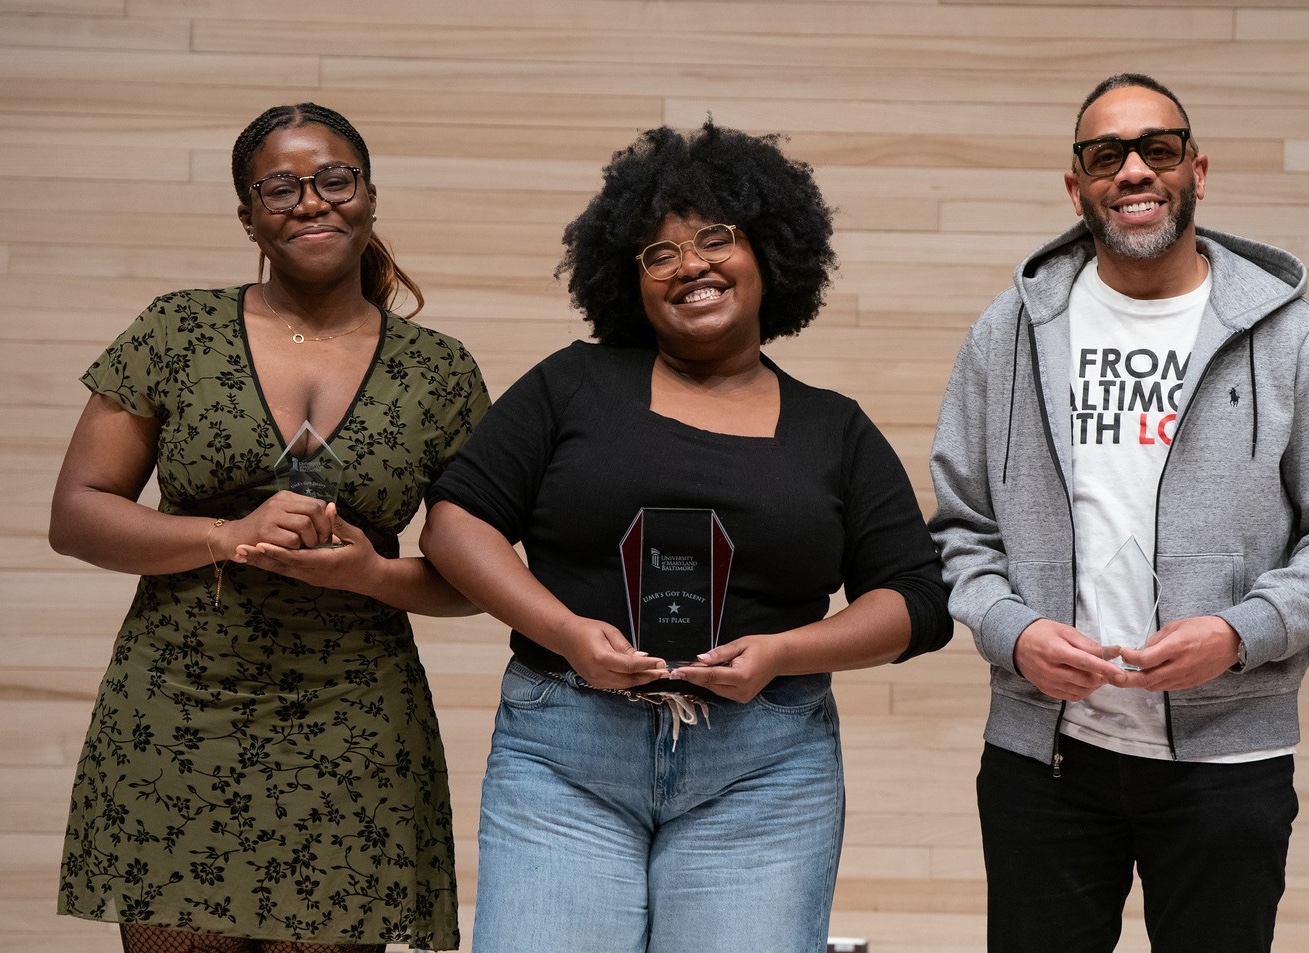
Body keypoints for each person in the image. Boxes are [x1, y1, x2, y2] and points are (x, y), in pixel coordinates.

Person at [419, 120, 953, 953]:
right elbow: (456, 524)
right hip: (564, 753)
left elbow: (916, 601)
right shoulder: (573, 385)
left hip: (765, 769)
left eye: (716, 238)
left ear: (770, 254)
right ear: (626, 280)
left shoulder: (834, 430)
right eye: (658, 253)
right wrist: (566, 631)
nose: (691, 264)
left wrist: (783, 652)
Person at [928, 72, 1309, 953]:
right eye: (1107, 155)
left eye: (1159, 148)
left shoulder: (1291, 337)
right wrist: (1012, 630)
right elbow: (960, 526)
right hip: (1045, 759)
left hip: (1229, 761)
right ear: (1078, 187)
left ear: (1198, 171)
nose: (1134, 169)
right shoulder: (1010, 331)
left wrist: (1241, 630)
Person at [51, 103, 490, 953]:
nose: (311, 201)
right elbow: (77, 513)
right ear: (247, 213)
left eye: (335, 179)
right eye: (280, 187)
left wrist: (368, 572)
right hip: (178, 711)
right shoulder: (177, 329)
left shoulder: (441, 370)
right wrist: (223, 535)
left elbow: (474, 574)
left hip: (353, 718)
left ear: (368, 196)